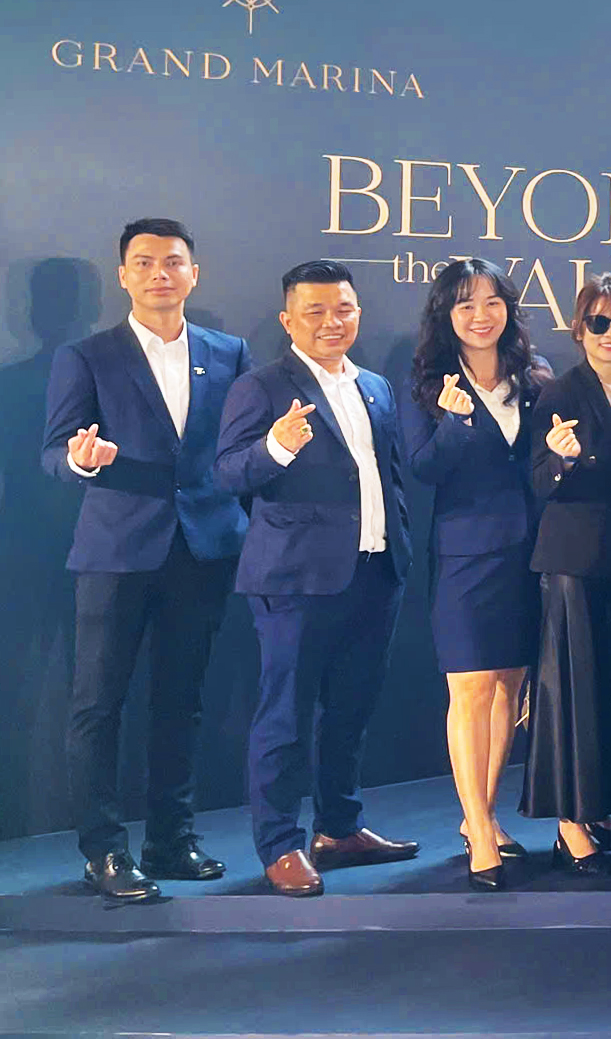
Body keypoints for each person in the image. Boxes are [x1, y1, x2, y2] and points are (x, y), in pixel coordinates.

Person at [42, 218, 251, 903]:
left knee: (181, 702)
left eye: (173, 261)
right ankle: (103, 851)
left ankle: (171, 839)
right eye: (144, 262)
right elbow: (52, 453)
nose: (160, 273)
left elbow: (236, 449)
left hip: (203, 548)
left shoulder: (229, 352)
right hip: (116, 552)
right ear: (123, 276)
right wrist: (80, 459)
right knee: (97, 706)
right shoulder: (87, 356)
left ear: (194, 273)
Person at [212, 259, 417, 896]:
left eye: (343, 309)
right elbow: (227, 473)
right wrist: (275, 447)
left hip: (376, 570)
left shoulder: (375, 385)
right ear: (288, 319)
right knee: (285, 716)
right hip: (294, 580)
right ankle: (280, 844)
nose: (332, 322)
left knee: (351, 710)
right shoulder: (261, 386)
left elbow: (386, 473)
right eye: (316, 311)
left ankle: (339, 828)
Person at [400, 258, 547, 890]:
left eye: (492, 302)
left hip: (529, 554)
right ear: (446, 315)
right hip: (465, 555)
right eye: (465, 305)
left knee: (509, 685)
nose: (481, 316)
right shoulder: (426, 386)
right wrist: (457, 422)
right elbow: (423, 469)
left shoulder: (534, 377)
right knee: (471, 689)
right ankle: (480, 832)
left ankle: (479, 816)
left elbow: (544, 464)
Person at [524, 275, 611, 876]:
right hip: (574, 563)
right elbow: (539, 482)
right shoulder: (559, 392)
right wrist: (563, 459)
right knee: (573, 693)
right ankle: (570, 824)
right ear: (579, 329)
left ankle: (604, 808)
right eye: (599, 323)